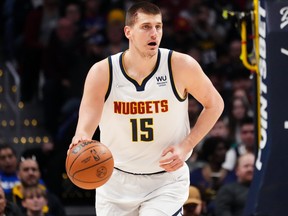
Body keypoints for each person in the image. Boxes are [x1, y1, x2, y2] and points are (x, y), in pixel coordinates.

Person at [68, 2, 224, 215]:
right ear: (128, 32)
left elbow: (215, 104)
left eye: (158, 26)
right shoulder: (102, 72)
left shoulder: (180, 66)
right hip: (115, 181)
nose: (154, 33)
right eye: (146, 27)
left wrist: (188, 144)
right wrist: (81, 137)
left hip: (165, 181)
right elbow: (88, 118)